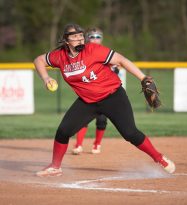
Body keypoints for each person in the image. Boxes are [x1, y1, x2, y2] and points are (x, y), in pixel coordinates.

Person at [33, 23, 175, 177]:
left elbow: (122, 60)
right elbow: (39, 60)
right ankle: (55, 167)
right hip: (87, 101)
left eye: (81, 36)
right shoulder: (59, 56)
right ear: (66, 40)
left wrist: (143, 78)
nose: (80, 39)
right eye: (74, 37)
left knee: (130, 133)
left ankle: (159, 158)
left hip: (112, 96)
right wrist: (46, 78)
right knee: (63, 131)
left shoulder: (93, 50)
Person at [72, 27, 120, 155]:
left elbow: (116, 68)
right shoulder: (82, 52)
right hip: (88, 92)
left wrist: (113, 68)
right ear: (87, 38)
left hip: (104, 93)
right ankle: (78, 145)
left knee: (102, 119)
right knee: (83, 119)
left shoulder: (106, 52)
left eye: (97, 36)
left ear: (101, 39)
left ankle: (97, 144)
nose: (94, 39)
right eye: (92, 36)